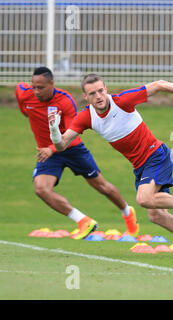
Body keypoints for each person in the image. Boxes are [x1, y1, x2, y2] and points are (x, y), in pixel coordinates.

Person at [48, 74, 173, 257]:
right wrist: (54, 129)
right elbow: (62, 144)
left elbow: (159, 84)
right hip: (140, 166)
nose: (98, 96)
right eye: (92, 93)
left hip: (156, 155)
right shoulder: (86, 117)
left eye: (101, 91)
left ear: (106, 89)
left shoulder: (122, 101)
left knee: (144, 199)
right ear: (85, 97)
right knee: (157, 216)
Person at [16, 67, 139, 240]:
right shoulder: (24, 93)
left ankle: (127, 212)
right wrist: (26, 111)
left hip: (71, 149)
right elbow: (21, 95)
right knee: (41, 189)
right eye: (34, 87)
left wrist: (51, 148)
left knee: (102, 186)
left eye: (41, 87)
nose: (36, 91)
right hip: (47, 154)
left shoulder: (65, 101)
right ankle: (83, 221)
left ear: (52, 84)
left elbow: (70, 136)